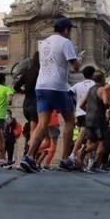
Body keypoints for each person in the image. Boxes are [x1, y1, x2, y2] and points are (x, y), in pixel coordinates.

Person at [19, 18, 81, 173]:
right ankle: (65, 158)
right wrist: (78, 60)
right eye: (70, 30)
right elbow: (75, 67)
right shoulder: (65, 43)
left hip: (41, 86)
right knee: (69, 121)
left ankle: (29, 156)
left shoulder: (44, 43)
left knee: (42, 123)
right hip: (58, 87)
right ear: (66, 30)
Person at [80, 71, 110, 171]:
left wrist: (89, 111)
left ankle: (82, 152)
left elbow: (81, 105)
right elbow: (106, 102)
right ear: (102, 78)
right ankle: (96, 164)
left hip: (88, 119)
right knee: (103, 142)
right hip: (99, 119)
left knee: (92, 141)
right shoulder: (102, 89)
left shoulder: (90, 90)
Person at [69, 66, 97, 168]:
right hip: (90, 113)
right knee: (89, 137)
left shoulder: (77, 85)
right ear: (93, 74)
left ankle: (88, 161)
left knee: (87, 137)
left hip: (79, 113)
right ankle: (74, 154)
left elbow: (69, 93)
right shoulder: (94, 85)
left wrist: (74, 105)